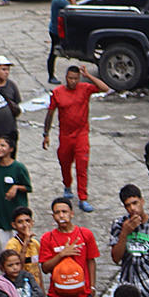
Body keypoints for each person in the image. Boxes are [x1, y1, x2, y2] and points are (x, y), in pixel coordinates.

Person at [44, 64, 107, 213]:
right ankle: (67, 186)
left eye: (75, 79)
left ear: (79, 79)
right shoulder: (58, 93)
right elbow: (50, 114)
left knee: (82, 166)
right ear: (66, 78)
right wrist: (46, 134)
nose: (72, 81)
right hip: (65, 136)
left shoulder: (85, 88)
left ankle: (83, 198)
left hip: (81, 135)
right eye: (70, 78)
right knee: (65, 163)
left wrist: (89, 76)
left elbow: (106, 88)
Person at [0, 134, 32, 235]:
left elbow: (28, 187)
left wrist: (16, 187)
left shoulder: (18, 167)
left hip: (17, 214)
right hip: (0, 214)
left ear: (11, 149)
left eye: (3, 145)